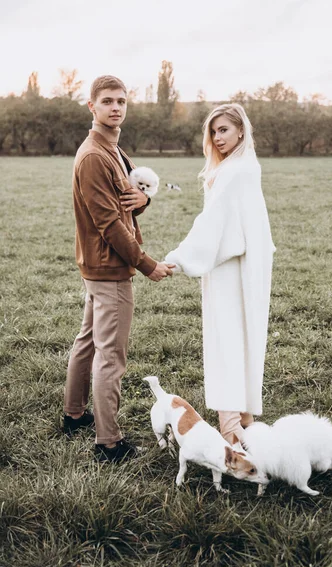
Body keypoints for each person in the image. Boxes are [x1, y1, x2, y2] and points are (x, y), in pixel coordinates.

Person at [63, 75, 173, 462]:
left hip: (99, 266)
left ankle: (74, 415)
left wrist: (142, 200)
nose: (116, 107)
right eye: (107, 101)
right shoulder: (94, 154)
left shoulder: (113, 148)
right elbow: (109, 223)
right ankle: (108, 442)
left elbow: (130, 199)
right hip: (109, 267)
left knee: (88, 341)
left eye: (121, 101)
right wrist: (146, 264)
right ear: (91, 107)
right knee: (111, 356)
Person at [165, 104, 275, 445]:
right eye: (213, 132)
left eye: (224, 130)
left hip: (228, 264)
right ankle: (243, 417)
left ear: (241, 130)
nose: (217, 137)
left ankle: (230, 426)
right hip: (243, 262)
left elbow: (212, 225)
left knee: (225, 334)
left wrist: (179, 259)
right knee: (241, 334)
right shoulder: (245, 166)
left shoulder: (233, 172)